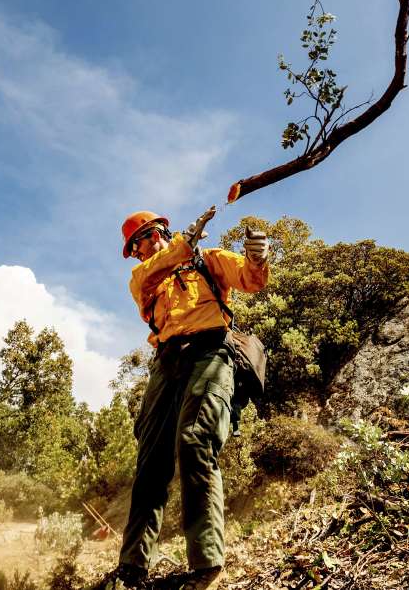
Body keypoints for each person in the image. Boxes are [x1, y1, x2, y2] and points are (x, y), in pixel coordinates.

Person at [100, 208, 270, 590]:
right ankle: (132, 567)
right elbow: (148, 274)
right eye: (136, 245)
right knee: (151, 461)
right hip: (166, 363)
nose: (142, 248)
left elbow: (248, 278)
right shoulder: (142, 279)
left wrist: (258, 257)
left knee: (195, 443)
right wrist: (182, 245)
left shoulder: (208, 260)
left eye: (145, 239)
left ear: (159, 232)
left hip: (210, 352)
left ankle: (206, 565)